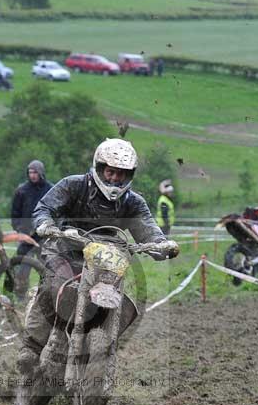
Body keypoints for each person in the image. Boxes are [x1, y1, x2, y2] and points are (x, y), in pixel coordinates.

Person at [17, 138, 179, 372]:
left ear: (129, 175)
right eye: (111, 172)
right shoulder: (73, 185)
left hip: (109, 260)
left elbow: (149, 230)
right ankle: (31, 346)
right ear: (100, 167)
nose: (115, 178)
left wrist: (162, 246)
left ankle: (102, 354)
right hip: (67, 248)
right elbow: (45, 207)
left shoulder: (133, 202)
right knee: (52, 287)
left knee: (125, 302)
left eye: (121, 174)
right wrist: (45, 224)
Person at [10, 160, 52, 299]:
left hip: (44, 235)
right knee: (23, 266)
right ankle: (20, 295)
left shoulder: (50, 189)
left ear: (41, 173)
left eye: (35, 172)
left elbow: (57, 210)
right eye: (30, 172)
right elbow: (15, 214)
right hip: (26, 235)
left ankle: (45, 295)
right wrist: (20, 230)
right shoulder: (21, 190)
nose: (32, 175)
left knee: (47, 267)